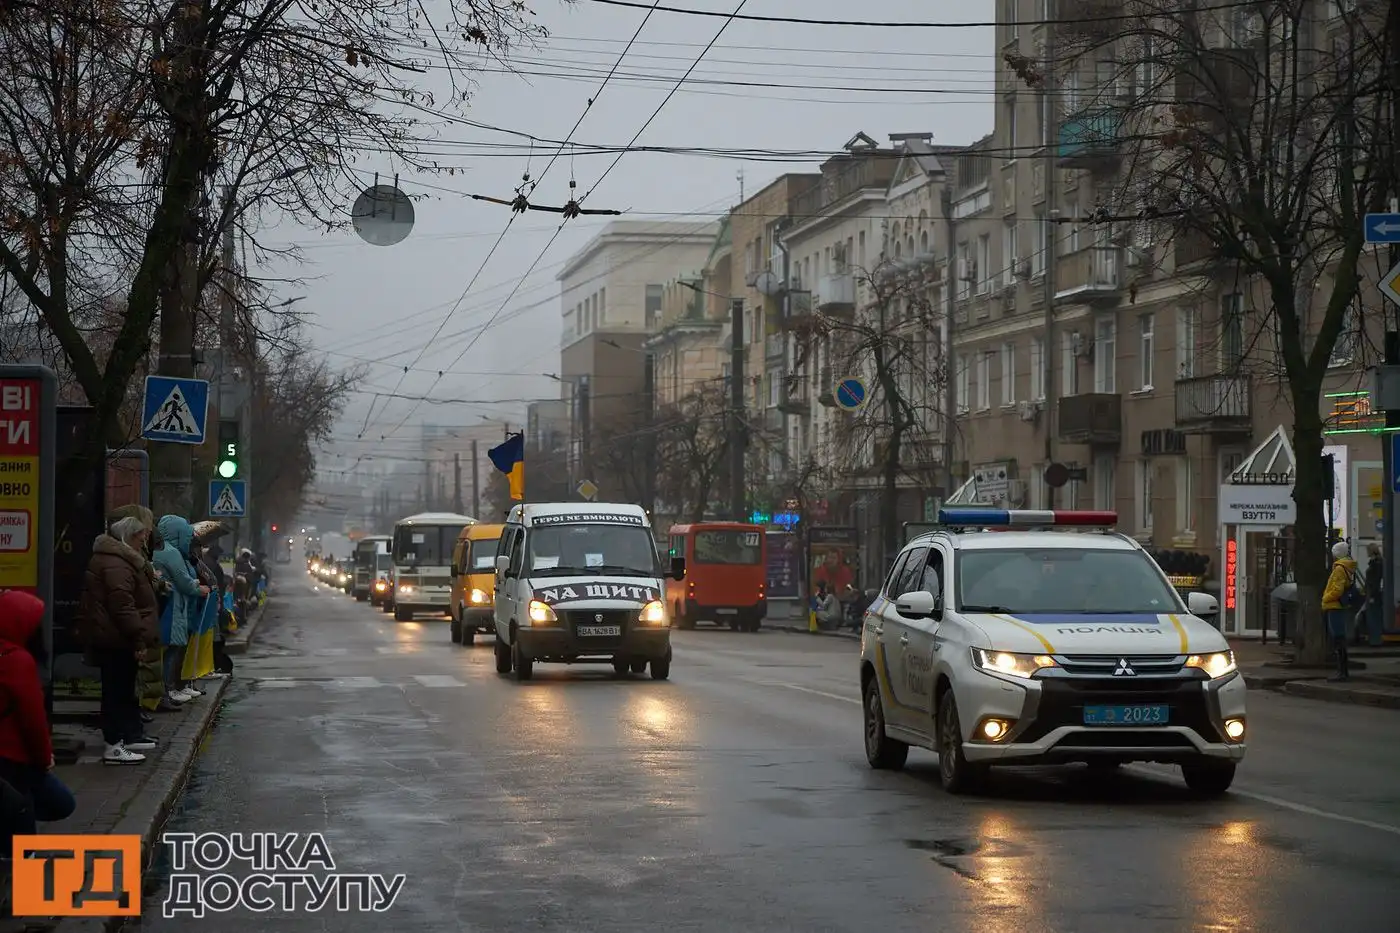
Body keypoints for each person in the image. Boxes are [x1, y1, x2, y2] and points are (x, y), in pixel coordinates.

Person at [76, 516, 163, 764]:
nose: (143, 543)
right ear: (128, 536)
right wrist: (138, 639)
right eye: (140, 537)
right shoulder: (118, 564)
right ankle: (114, 745)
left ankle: (126, 736)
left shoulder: (118, 560)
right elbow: (122, 606)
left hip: (115, 637)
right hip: (115, 638)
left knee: (123, 690)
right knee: (116, 691)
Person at [0, 589, 76, 847]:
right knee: (52, 806)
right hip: (14, 761)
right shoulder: (18, 661)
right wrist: (44, 759)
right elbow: (33, 720)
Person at [153, 516, 209, 705]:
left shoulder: (162, 551)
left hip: (170, 606)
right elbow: (183, 581)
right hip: (174, 607)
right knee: (171, 650)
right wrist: (197, 588)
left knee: (167, 651)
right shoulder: (171, 553)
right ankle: (167, 691)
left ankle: (165, 691)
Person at [1321, 541, 1360, 682]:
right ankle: (1343, 671)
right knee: (1340, 639)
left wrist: (1325, 598)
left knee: (1338, 639)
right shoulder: (1346, 568)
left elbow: (1337, 589)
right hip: (1338, 606)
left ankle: (1341, 672)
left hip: (1334, 606)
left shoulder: (1339, 569)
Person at [1363, 543, 1384, 648]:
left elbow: (1374, 581)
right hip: (1373, 594)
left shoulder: (1376, 564)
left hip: (1373, 595)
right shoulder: (1377, 563)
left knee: (1373, 617)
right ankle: (1375, 639)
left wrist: (1371, 595)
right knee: (1373, 616)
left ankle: (1375, 641)